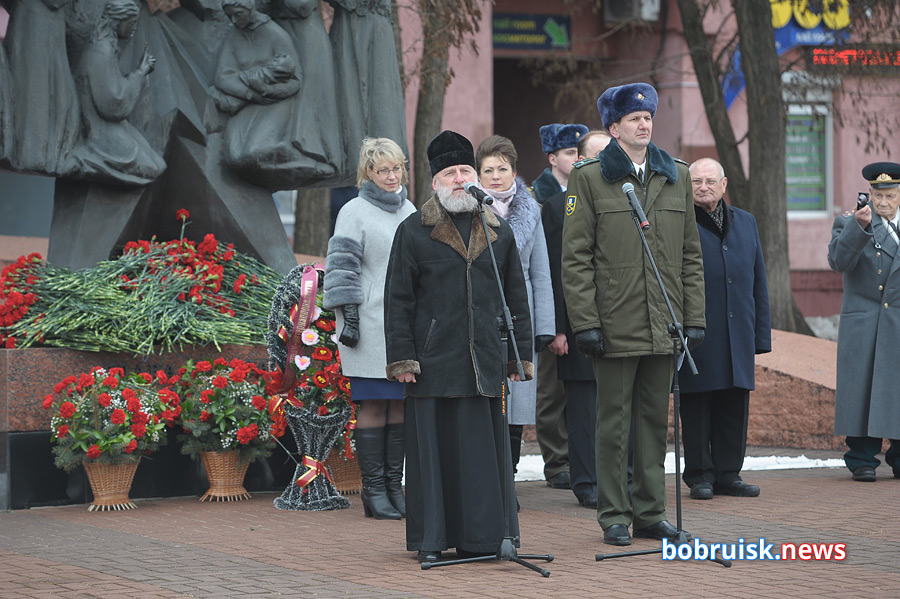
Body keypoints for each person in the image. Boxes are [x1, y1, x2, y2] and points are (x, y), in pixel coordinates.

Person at [561, 82, 705, 546]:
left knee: (651, 424)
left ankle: (650, 512)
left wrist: (694, 317)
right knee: (614, 424)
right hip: (615, 322)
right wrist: (585, 322)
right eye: (633, 119)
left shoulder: (676, 174)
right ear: (614, 127)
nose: (644, 124)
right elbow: (576, 257)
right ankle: (614, 516)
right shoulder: (589, 177)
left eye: (648, 118)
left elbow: (690, 255)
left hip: (664, 320)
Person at [384, 130, 534, 563]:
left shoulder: (496, 230)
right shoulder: (414, 231)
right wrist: (403, 358)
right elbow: (397, 299)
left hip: (483, 360)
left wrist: (516, 355)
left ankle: (484, 539)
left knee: (481, 458)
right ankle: (431, 541)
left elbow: (515, 298)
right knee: (434, 459)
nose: (459, 178)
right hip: (432, 362)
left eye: (465, 171)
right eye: (450, 173)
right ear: (434, 182)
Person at [324, 137, 416, 519]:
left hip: (403, 325)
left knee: (400, 404)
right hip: (366, 323)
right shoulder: (353, 211)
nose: (391, 176)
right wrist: (350, 321)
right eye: (383, 170)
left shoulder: (410, 208)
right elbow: (341, 271)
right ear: (368, 173)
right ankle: (373, 492)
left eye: (396, 168)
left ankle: (395, 488)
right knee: (375, 403)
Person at [677, 158, 771, 500]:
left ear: (724, 184)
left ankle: (729, 472)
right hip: (700, 332)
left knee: (734, 403)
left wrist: (760, 335)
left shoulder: (745, 222)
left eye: (710, 181)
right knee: (699, 405)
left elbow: (758, 280)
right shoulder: (681, 222)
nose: (703, 186)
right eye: (696, 181)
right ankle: (700, 475)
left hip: (738, 332)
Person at [475, 135, 555, 479]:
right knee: (486, 396)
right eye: (488, 169)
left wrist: (545, 326)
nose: (495, 176)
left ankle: (508, 477)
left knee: (518, 397)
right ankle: (486, 477)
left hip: (519, 316)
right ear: (478, 174)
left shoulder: (531, 210)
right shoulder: (468, 208)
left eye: (502, 169)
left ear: (514, 171)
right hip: (479, 313)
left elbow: (541, 272)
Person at [542, 130, 613, 509]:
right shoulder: (557, 207)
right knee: (584, 409)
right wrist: (557, 327)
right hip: (577, 322)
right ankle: (586, 481)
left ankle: (618, 479)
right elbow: (554, 270)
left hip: (621, 321)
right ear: (581, 162)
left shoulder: (625, 198)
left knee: (614, 406)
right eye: (596, 155)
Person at [827, 161, 900, 482]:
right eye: (876, 194)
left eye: (890, 195)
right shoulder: (851, 221)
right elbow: (838, 261)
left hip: (897, 318)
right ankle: (861, 458)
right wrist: (859, 227)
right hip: (865, 319)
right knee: (862, 388)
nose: (882, 202)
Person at [531, 122, 588, 490]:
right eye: (569, 153)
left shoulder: (583, 191)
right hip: (554, 308)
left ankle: (577, 456)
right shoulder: (541, 199)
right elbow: (547, 266)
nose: (576, 159)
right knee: (552, 389)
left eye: (578, 152)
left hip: (582, 307)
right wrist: (554, 324)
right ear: (553, 158)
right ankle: (557, 461)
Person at [66, 0, 166, 186]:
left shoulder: (108, 47)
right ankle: (88, 159)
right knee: (150, 169)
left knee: (159, 164)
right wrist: (140, 73)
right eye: (131, 23)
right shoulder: (101, 52)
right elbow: (113, 104)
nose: (134, 28)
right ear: (118, 21)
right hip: (100, 130)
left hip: (113, 126)